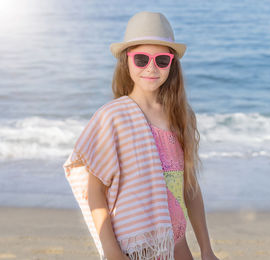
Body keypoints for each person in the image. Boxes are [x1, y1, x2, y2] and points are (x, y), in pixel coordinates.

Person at [63, 11, 220, 260]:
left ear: (172, 64)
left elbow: (190, 187)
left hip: (177, 244)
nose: (151, 68)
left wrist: (206, 248)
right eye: (141, 59)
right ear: (127, 60)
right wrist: (111, 251)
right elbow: (95, 192)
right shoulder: (113, 118)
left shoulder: (181, 118)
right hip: (136, 250)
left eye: (161, 60)